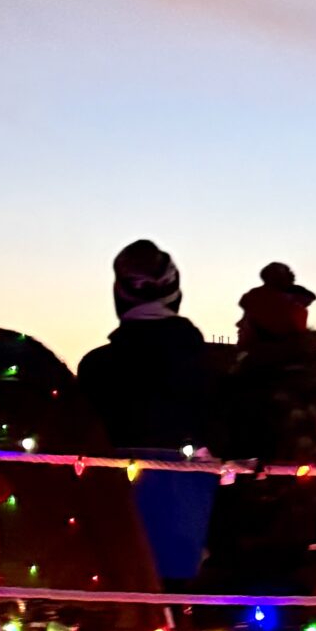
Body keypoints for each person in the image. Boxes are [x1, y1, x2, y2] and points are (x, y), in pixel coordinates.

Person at [202, 263, 316, 631]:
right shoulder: (309, 384)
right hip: (297, 532)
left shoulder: (254, 390)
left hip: (249, 533)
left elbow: (235, 448)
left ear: (263, 329)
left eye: (245, 319)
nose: (237, 326)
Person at [74, 240, 216, 585]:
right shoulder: (209, 368)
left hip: (114, 540)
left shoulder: (96, 369)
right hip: (193, 541)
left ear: (120, 296)